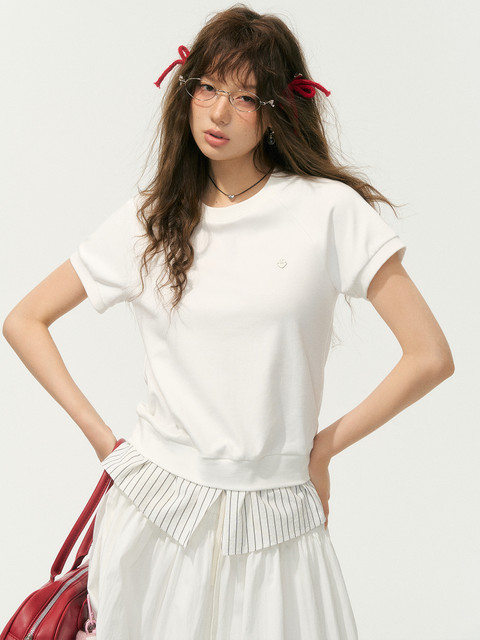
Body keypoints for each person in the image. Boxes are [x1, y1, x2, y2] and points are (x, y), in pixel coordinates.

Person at [2, 4, 455, 639]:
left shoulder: (328, 211)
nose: (218, 112)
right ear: (185, 91)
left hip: (278, 518)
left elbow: (430, 355)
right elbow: (25, 319)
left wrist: (324, 447)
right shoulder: (152, 217)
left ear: (277, 110)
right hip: (155, 513)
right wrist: (106, 443)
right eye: (208, 87)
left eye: (245, 97)